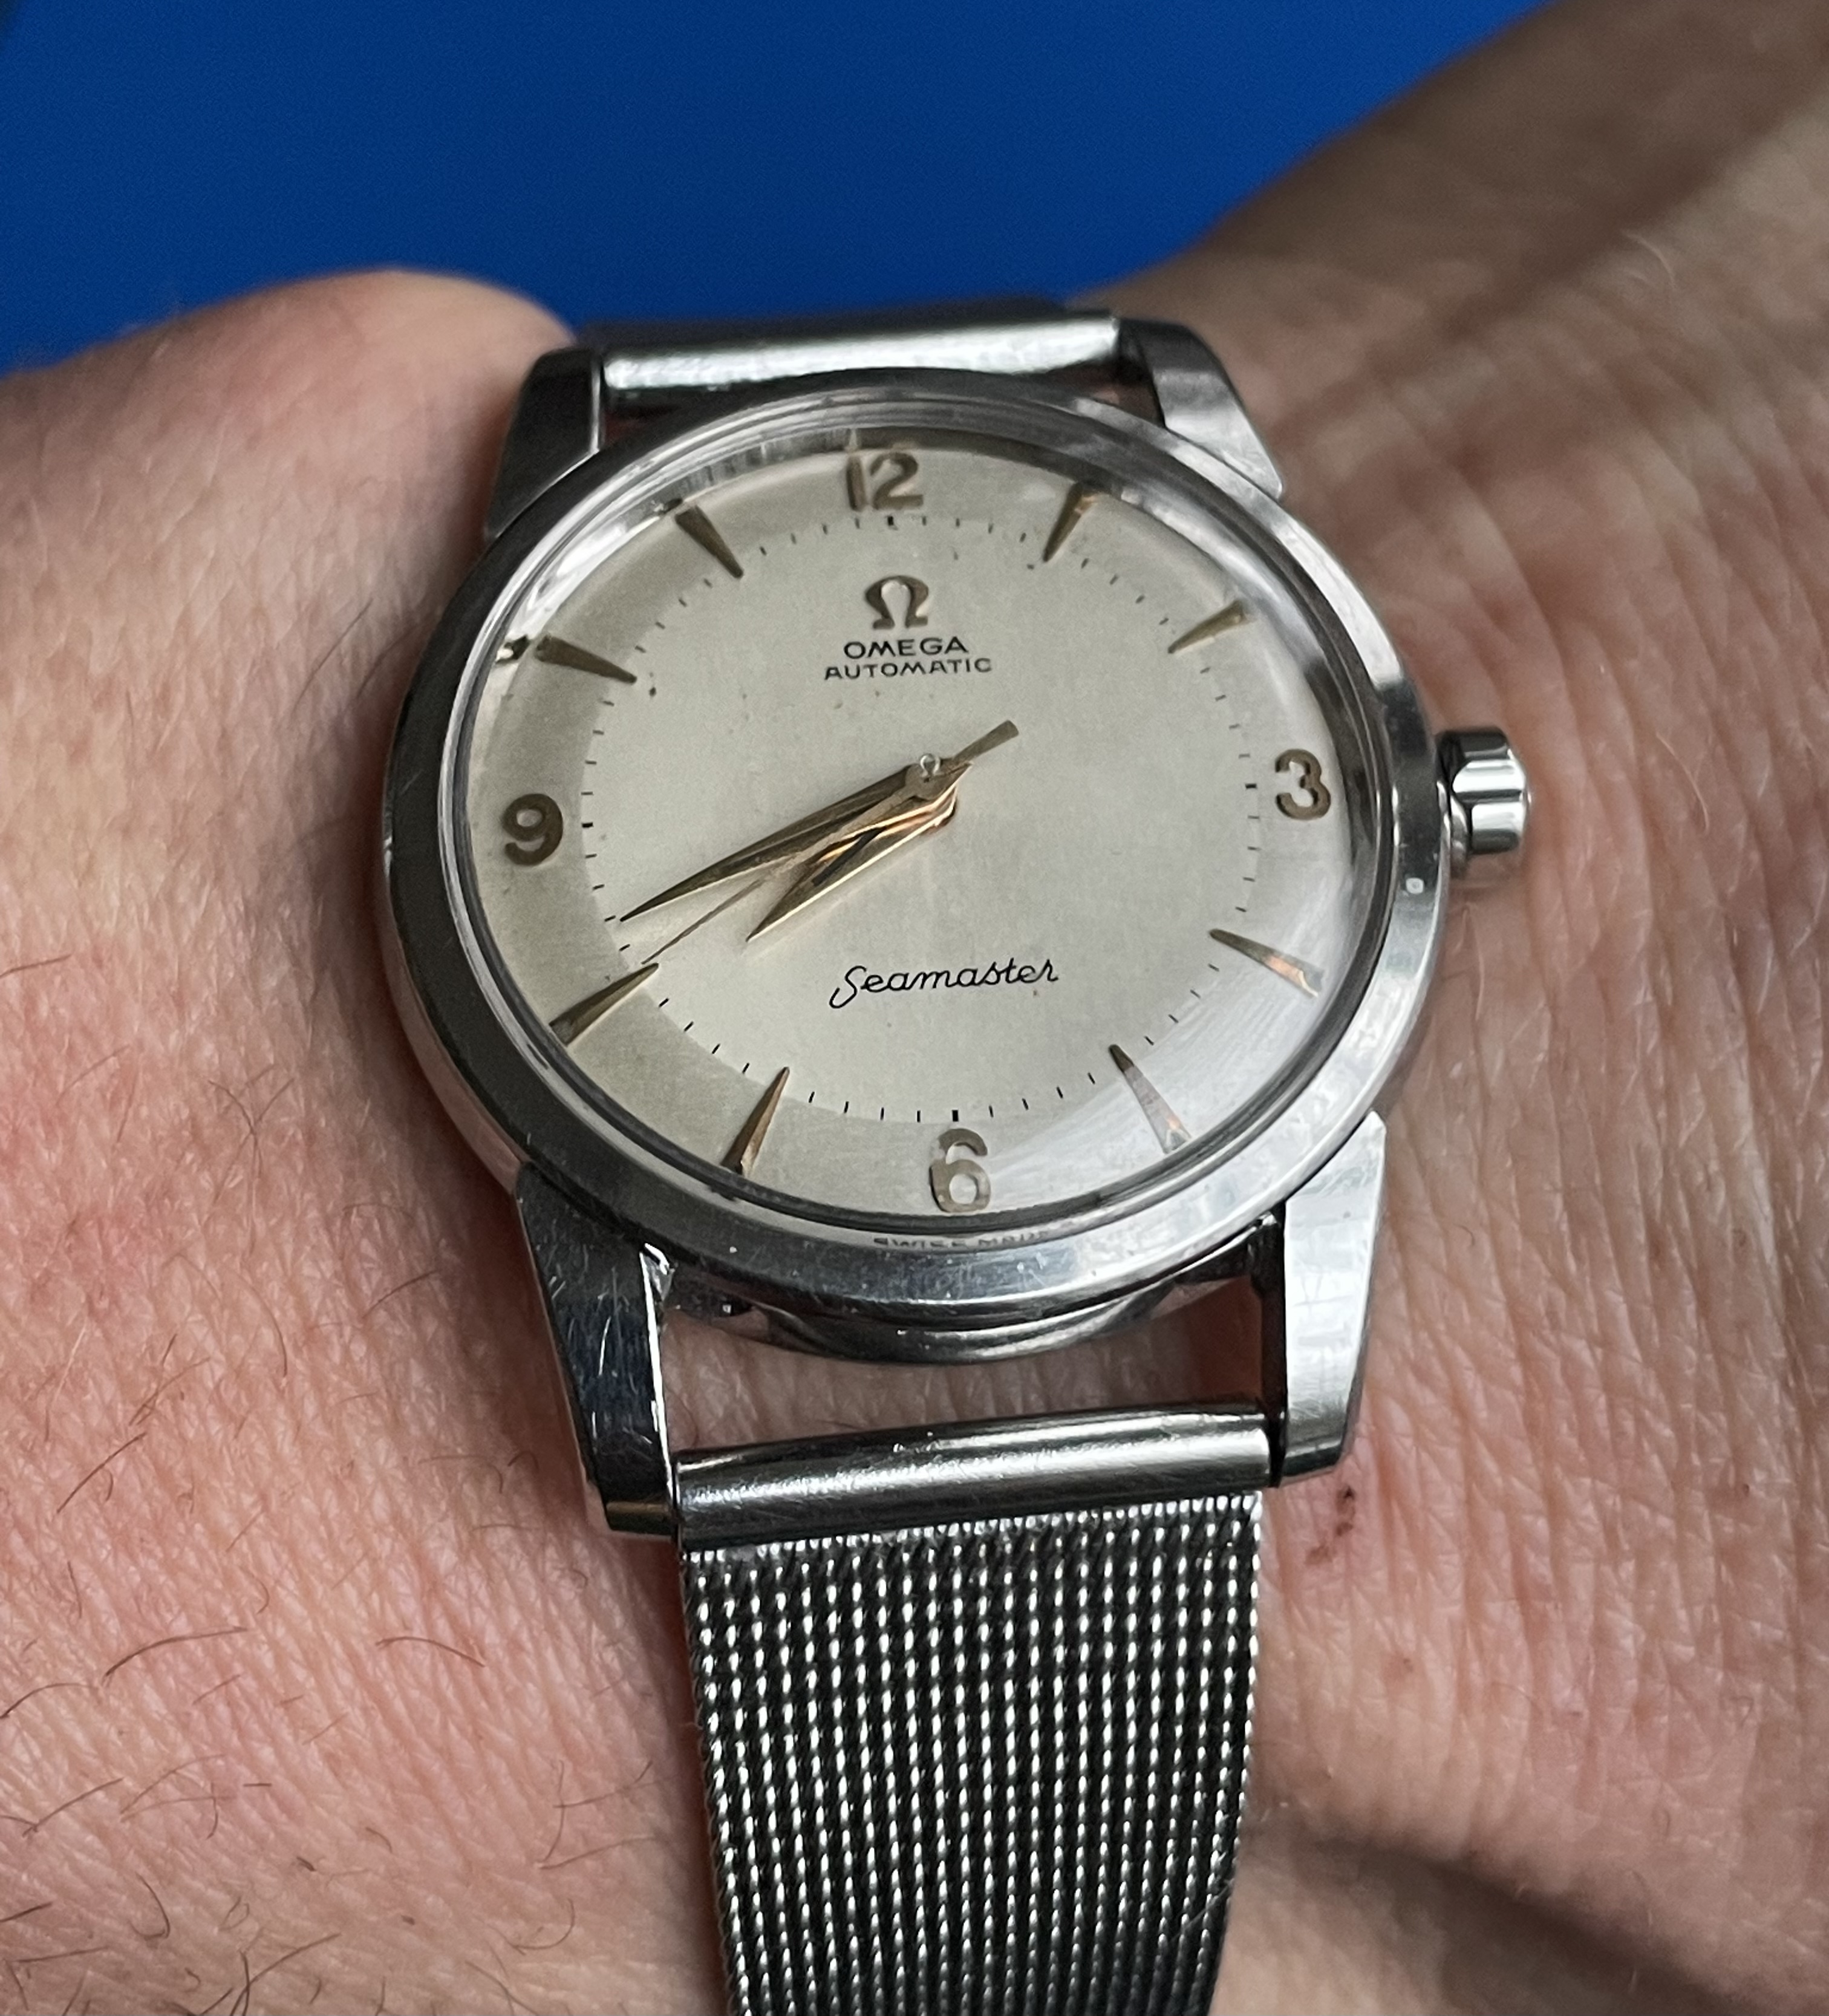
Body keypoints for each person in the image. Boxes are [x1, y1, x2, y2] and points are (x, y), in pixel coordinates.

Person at [1, 0, 1822, 2008]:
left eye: (924, 809)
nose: (922, 816)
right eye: (902, 814)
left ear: (1443, 808)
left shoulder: (1178, 474)